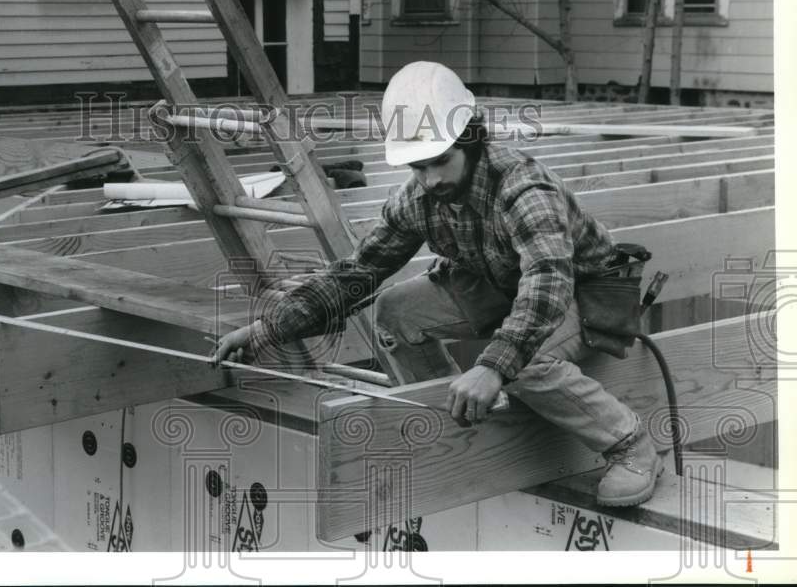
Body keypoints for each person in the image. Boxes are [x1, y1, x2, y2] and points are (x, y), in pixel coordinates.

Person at [212, 61, 662, 507]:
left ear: (471, 139)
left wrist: (493, 365)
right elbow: (357, 273)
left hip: (581, 292)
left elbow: (547, 283)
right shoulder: (419, 196)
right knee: (395, 311)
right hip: (498, 282)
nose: (431, 180)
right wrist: (268, 330)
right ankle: (461, 420)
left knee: (521, 360)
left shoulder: (524, 189)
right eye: (417, 167)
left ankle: (629, 443)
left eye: (440, 162)